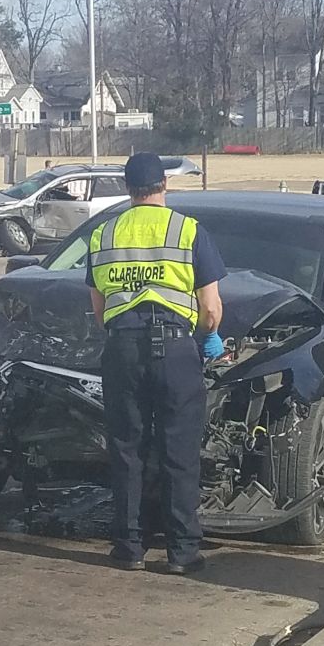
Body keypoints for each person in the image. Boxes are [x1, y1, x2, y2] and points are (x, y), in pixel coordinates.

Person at [87, 153, 225, 576]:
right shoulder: (188, 230)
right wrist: (208, 338)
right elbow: (211, 307)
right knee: (179, 451)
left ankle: (129, 547)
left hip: (123, 349)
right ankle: (182, 552)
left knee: (127, 449)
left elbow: (98, 308)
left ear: (127, 188)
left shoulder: (104, 234)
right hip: (176, 349)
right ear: (164, 184)